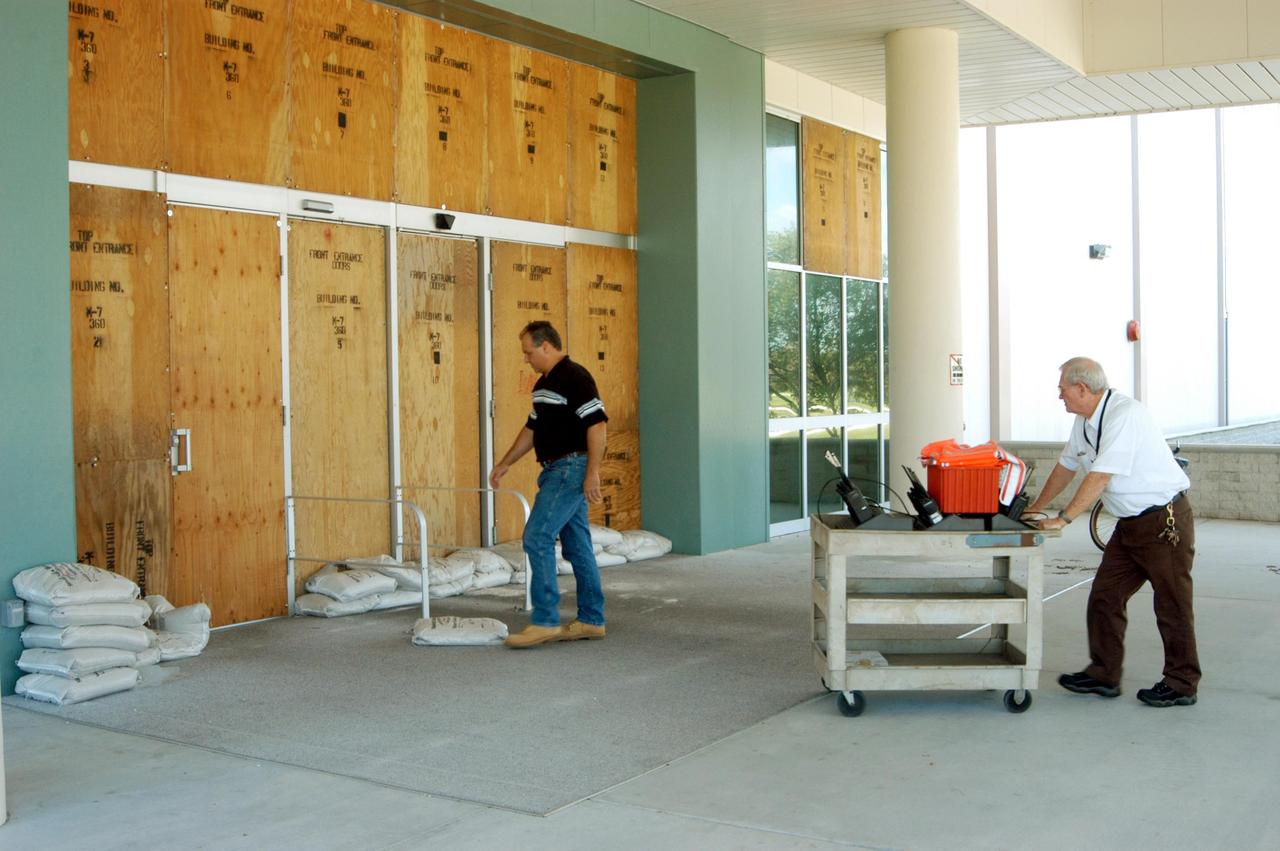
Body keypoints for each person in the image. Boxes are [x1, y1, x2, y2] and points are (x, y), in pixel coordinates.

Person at [1024, 356, 1199, 707]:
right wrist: (1034, 507)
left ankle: (1182, 682)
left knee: (1172, 604)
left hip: (1163, 523)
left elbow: (1101, 474)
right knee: (1105, 597)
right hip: (1130, 526)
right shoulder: (1084, 420)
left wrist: (1065, 517)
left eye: (1062, 390)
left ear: (1082, 388)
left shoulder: (1125, 414)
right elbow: (1066, 466)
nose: (1060, 397)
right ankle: (1104, 674)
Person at [489, 320, 608, 648]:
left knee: (537, 536)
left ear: (546, 346)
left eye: (529, 352)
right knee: (577, 545)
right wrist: (505, 463)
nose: (525, 358)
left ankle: (545, 620)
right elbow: (532, 429)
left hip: (570, 469)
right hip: (556, 468)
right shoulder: (543, 386)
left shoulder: (575, 378)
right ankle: (592, 620)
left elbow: (597, 427)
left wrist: (592, 473)